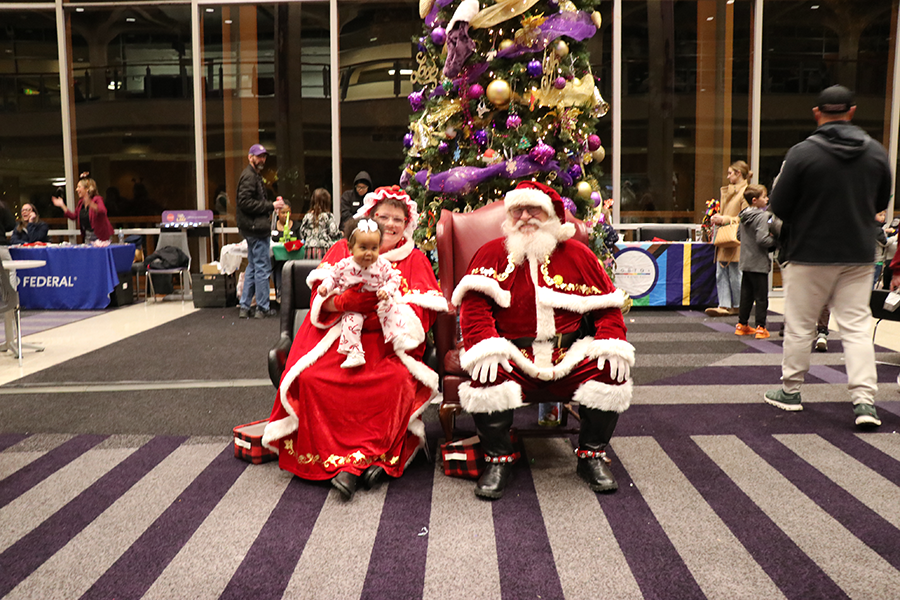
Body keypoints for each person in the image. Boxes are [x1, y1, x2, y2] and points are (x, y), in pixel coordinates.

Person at [262, 185, 447, 500]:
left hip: (389, 348)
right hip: (339, 341)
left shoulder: (415, 260)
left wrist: (381, 315)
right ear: (370, 218)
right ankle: (356, 462)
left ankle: (360, 462)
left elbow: (422, 316)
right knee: (314, 379)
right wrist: (343, 303)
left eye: (397, 220)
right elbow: (321, 297)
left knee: (395, 382)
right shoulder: (342, 249)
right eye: (383, 217)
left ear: (407, 224)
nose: (390, 225)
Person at [453, 180, 633, 500]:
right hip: (512, 353)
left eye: (533, 209)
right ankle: (498, 459)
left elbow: (608, 309)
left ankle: (591, 456)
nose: (524, 216)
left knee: (609, 369)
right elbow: (474, 310)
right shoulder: (492, 254)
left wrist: (611, 341)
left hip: (569, 354)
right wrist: (487, 346)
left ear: (550, 214)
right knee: (487, 372)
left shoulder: (578, 254)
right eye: (517, 210)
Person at [764, 85, 891, 428]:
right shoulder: (876, 153)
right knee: (857, 328)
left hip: (809, 254)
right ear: (851, 112)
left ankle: (790, 392)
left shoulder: (803, 154)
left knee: (801, 325)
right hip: (858, 255)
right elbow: (881, 201)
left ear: (817, 114)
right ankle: (865, 403)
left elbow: (779, 205)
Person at [316, 218, 416, 368]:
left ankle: (398, 337)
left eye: (374, 248)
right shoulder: (344, 265)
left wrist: (386, 290)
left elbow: (395, 278)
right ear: (351, 248)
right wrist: (326, 287)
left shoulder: (382, 264)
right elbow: (332, 277)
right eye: (363, 248)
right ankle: (355, 353)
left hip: (377, 301)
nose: (369, 253)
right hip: (354, 307)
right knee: (350, 322)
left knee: (391, 309)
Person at [236, 144, 284, 319]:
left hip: (251, 228)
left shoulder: (252, 175)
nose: (262, 159)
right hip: (256, 228)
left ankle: (244, 306)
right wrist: (271, 205)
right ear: (250, 157)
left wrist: (270, 204)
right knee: (262, 268)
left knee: (253, 266)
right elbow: (245, 203)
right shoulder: (250, 177)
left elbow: (247, 201)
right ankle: (262, 307)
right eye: (259, 156)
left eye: (264, 156)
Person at [705, 161, 751, 317]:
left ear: (738, 173)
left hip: (736, 238)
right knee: (722, 272)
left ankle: (738, 305)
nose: (727, 176)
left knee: (735, 274)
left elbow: (746, 217)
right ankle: (724, 305)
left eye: (730, 173)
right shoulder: (731, 192)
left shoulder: (746, 193)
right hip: (725, 238)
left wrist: (724, 219)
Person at [734, 185, 776, 340]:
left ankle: (742, 324)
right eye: (764, 196)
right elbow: (762, 239)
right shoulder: (763, 216)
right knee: (761, 297)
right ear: (755, 200)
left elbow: (739, 236)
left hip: (745, 261)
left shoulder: (744, 215)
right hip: (759, 262)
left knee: (746, 295)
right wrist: (776, 241)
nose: (767, 199)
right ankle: (760, 327)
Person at [51, 172, 113, 242]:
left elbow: (102, 211)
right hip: (88, 235)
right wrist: (62, 205)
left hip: (101, 235)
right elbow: (73, 216)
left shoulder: (97, 199)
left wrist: (90, 203)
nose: (76, 189)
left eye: (79, 187)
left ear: (87, 189)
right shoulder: (81, 202)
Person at [271, 199, 303, 303]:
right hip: (277, 259)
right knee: (279, 266)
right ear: (278, 213)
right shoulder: (272, 226)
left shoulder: (297, 226)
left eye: (288, 212)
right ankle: (280, 294)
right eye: (283, 212)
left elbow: (301, 241)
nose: (285, 215)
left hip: (294, 258)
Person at [299, 187, 340, 260]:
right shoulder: (328, 216)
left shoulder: (307, 216)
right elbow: (333, 233)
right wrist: (341, 234)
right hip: (324, 249)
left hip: (310, 249)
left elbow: (302, 233)